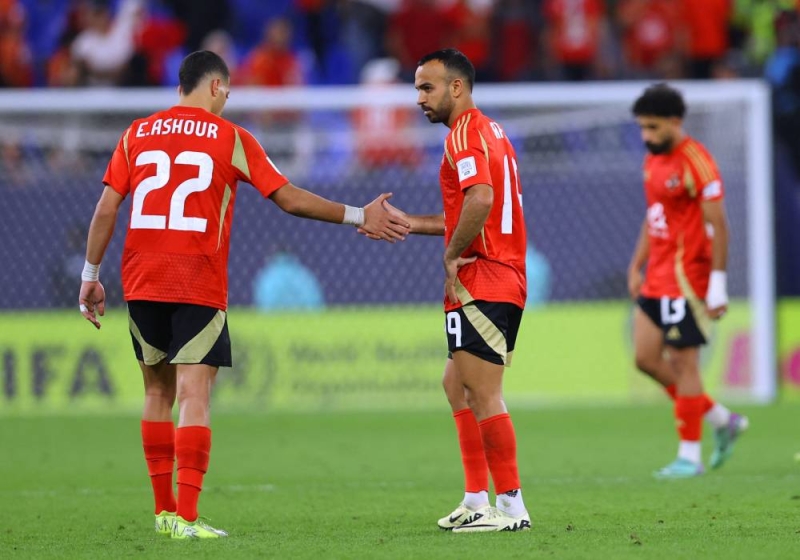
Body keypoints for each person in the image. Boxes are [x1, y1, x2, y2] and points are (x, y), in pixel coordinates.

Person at [78, 50, 408, 540]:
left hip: (142, 278)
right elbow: (288, 198)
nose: (226, 101)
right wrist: (359, 215)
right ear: (215, 86)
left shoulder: (136, 134)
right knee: (194, 394)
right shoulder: (231, 137)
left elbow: (107, 207)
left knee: (156, 392)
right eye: (227, 92)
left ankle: (164, 513)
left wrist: (90, 273)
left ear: (179, 87)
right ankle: (188, 519)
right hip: (196, 278)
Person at [368, 48, 530, 532]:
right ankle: (476, 499)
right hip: (499, 273)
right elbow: (470, 210)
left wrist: (451, 255)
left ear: (456, 87)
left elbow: (481, 198)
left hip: (485, 275)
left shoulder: (462, 134)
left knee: (483, 393)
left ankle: (512, 508)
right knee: (455, 385)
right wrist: (410, 222)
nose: (419, 98)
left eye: (427, 87)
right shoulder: (489, 131)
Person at [627, 83, 748, 479]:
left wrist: (717, 286)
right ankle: (721, 419)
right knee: (646, 358)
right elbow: (654, 216)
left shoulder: (697, 162)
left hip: (687, 276)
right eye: (642, 128)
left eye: (653, 128)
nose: (646, 136)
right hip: (657, 275)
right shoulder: (652, 160)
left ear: (675, 122)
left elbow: (720, 227)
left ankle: (690, 456)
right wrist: (637, 264)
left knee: (683, 362)